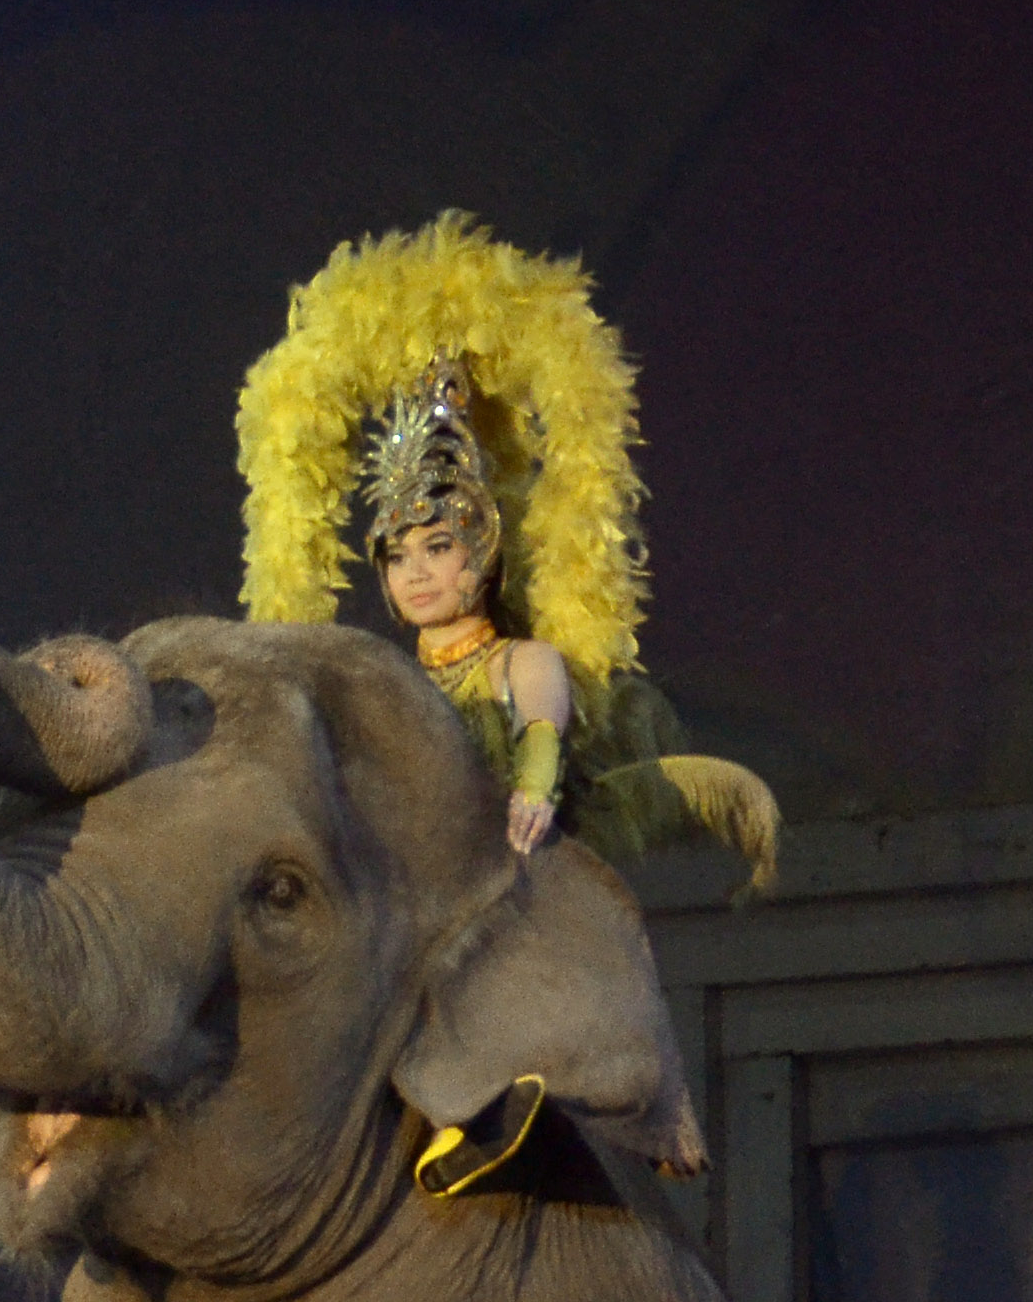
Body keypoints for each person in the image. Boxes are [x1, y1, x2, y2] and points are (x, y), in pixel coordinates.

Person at [238, 215, 779, 886]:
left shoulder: (521, 663)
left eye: (438, 547)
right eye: (398, 557)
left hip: (506, 877)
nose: (418, 572)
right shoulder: (381, 679)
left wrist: (533, 792)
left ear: (483, 555)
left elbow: (541, 734)